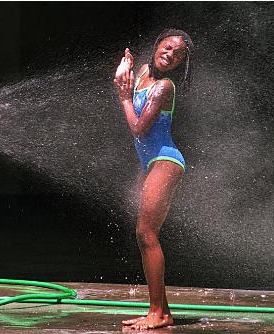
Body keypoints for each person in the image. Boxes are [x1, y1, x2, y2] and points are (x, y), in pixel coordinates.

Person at [114, 29, 194, 330]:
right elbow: (123, 81)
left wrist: (123, 98)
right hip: (153, 163)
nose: (171, 53)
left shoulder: (164, 87)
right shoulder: (145, 72)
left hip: (166, 161)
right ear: (159, 44)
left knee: (146, 234)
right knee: (145, 235)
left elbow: (139, 129)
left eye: (178, 54)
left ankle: (157, 313)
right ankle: (163, 312)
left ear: (179, 64)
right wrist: (125, 70)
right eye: (168, 46)